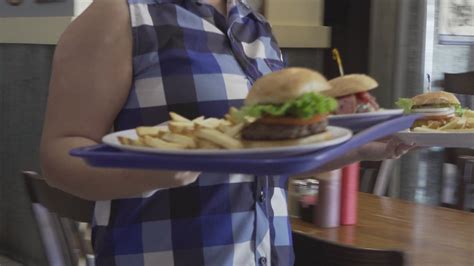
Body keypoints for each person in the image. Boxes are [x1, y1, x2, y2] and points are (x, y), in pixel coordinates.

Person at [40, 0, 412, 265]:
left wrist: (361, 146)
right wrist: (146, 174)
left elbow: (268, 162)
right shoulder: (120, 14)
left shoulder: (255, 26)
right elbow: (58, 155)